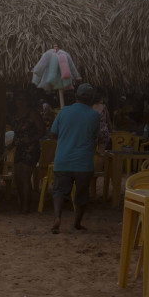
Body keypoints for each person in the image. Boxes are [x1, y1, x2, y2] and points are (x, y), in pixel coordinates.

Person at [50, 83, 100, 234]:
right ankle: (77, 223)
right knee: (82, 194)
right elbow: (95, 137)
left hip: (63, 159)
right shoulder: (94, 116)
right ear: (92, 99)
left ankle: (57, 217)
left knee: (59, 191)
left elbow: (53, 133)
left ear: (76, 96)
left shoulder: (63, 111)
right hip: (83, 162)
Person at [11, 95, 45, 213]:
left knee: (25, 176)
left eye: (21, 99)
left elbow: (42, 131)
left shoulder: (32, 114)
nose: (19, 102)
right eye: (17, 99)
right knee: (18, 176)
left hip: (31, 148)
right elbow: (16, 133)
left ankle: (26, 206)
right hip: (19, 147)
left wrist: (30, 140)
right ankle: (22, 202)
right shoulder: (16, 114)